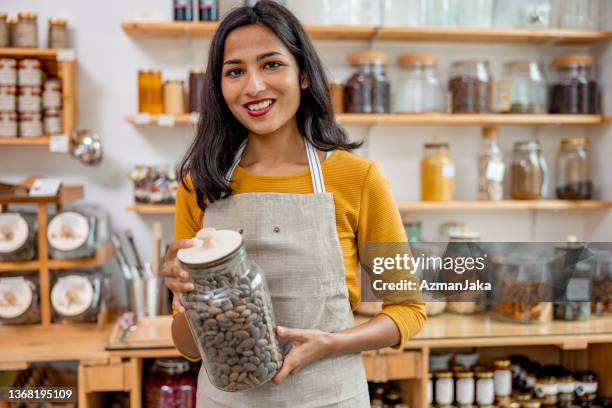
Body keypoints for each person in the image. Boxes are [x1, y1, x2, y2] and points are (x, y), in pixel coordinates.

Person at [162, 1, 426, 406]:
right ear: (219, 87)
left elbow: (408, 308)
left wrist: (334, 343)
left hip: (330, 395)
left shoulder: (358, 179)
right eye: (235, 71)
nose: (253, 86)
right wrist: (184, 295)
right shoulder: (199, 184)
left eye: (271, 65)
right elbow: (191, 347)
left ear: (303, 74)